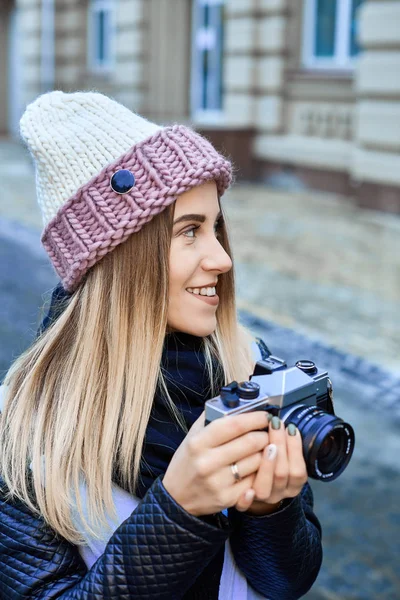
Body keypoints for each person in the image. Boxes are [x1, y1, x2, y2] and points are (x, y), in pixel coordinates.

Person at [0, 91, 322, 599]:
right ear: (120, 260)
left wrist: (270, 510)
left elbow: (289, 580)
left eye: (216, 227)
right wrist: (177, 510)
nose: (221, 259)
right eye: (189, 232)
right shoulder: (26, 430)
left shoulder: (252, 368)